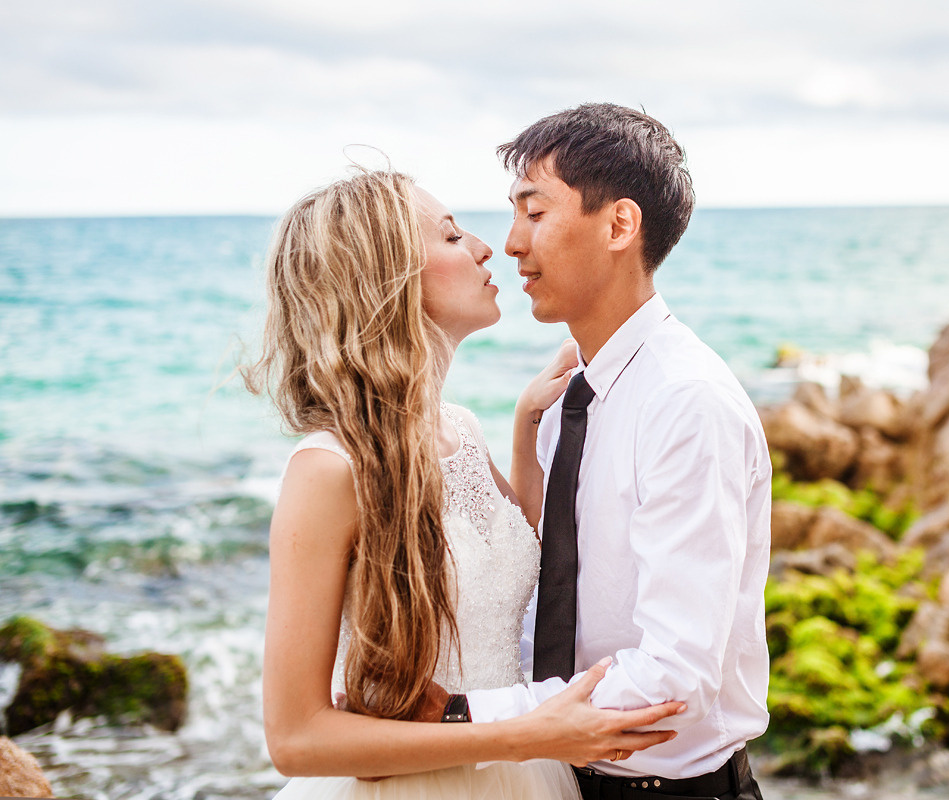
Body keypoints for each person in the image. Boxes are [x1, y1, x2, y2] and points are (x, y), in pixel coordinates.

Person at [244, 169, 685, 799]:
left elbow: (515, 553)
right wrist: (529, 734)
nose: (487, 247)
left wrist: (526, 424)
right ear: (385, 280)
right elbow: (296, 740)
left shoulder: (460, 430)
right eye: (451, 237)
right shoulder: (329, 469)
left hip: (527, 772)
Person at [460, 104, 773, 800]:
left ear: (619, 226)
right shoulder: (569, 398)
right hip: (552, 778)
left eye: (534, 214)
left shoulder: (686, 402)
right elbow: (548, 593)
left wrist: (464, 718)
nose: (511, 244)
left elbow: (673, 677)